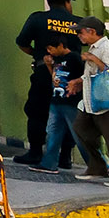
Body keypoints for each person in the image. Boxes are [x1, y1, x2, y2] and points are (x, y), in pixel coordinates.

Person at [13, 0, 80, 166]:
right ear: (67, 3)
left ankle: (35, 152)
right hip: (71, 75)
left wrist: (37, 54)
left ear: (49, 2)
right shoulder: (77, 23)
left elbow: (22, 42)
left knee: (37, 111)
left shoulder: (38, 19)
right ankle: (65, 157)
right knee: (67, 112)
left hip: (44, 71)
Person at [71, 16, 109, 187]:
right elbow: (91, 74)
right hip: (92, 101)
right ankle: (97, 166)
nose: (78, 35)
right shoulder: (95, 48)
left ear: (92, 31)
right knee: (81, 128)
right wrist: (78, 82)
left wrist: (94, 60)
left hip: (107, 102)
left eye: (80, 32)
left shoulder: (106, 49)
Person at [28, 39, 91, 174]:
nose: (49, 52)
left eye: (51, 48)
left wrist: (77, 86)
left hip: (71, 102)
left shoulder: (74, 58)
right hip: (56, 101)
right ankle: (49, 163)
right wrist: (49, 66)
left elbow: (84, 77)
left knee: (79, 134)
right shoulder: (56, 59)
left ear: (61, 45)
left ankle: (98, 164)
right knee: (53, 133)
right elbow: (56, 78)